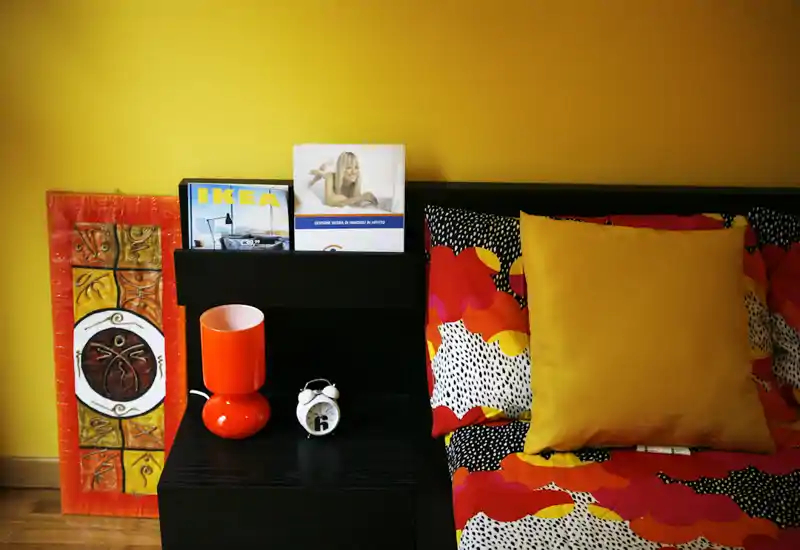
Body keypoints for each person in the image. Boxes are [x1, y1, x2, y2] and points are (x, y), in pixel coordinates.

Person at [309, 152, 378, 207]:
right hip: (330, 175)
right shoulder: (330, 177)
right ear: (341, 169)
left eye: (356, 167)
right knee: (321, 174)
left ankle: (325, 166)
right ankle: (321, 168)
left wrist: (366, 198)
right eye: (349, 168)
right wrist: (361, 197)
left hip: (337, 175)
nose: (354, 172)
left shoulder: (356, 180)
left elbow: (353, 201)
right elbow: (329, 202)